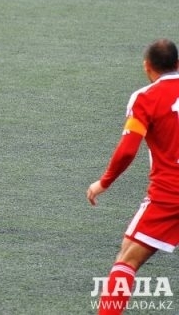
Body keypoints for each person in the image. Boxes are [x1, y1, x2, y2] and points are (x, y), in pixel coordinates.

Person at [87, 38, 179, 314]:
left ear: (147, 66)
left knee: (127, 260)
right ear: (178, 64)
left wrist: (104, 182)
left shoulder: (145, 98)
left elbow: (127, 150)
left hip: (170, 195)